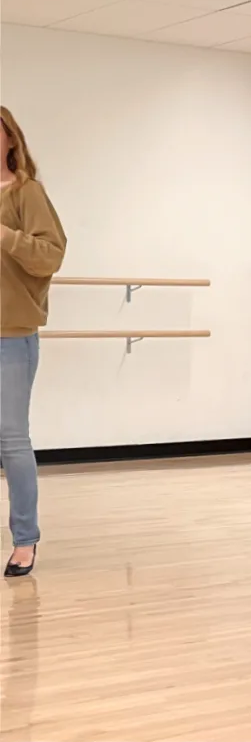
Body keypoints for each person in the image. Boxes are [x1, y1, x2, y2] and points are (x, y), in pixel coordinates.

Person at [1, 106, 67, 579]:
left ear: (10, 140)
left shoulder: (27, 193)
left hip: (11, 336)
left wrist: (3, 234)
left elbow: (50, 255)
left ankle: (25, 540)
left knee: (11, 441)